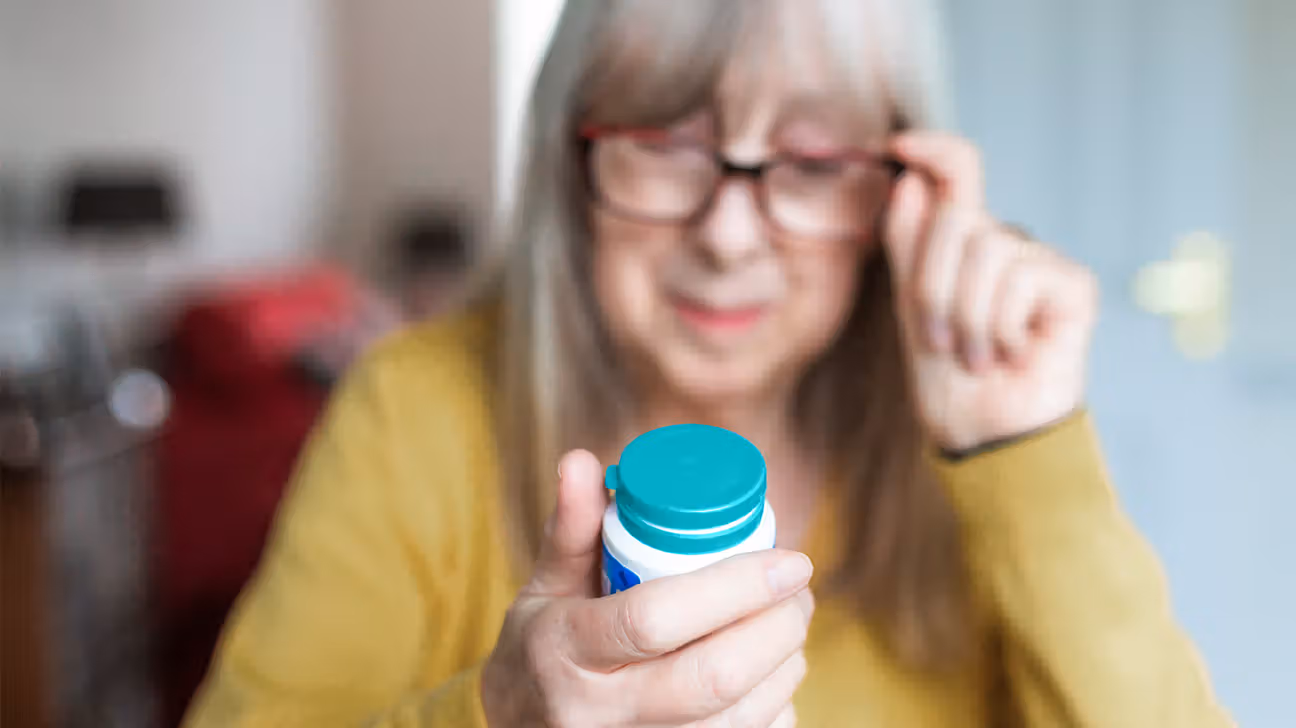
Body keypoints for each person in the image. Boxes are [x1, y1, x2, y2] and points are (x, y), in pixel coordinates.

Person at [184, 1, 1232, 726]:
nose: (729, 237)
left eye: (812, 163)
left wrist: (1024, 453)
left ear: (899, 192)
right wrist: (497, 714)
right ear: (567, 165)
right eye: (662, 142)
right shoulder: (418, 408)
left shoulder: (971, 447)